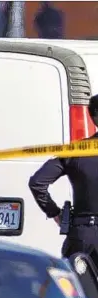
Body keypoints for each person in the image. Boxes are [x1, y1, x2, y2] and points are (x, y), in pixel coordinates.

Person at [28, 94, 98, 263]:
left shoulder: (75, 152)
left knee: (79, 288)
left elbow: (37, 183)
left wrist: (55, 213)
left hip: (83, 235)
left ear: (93, 117)